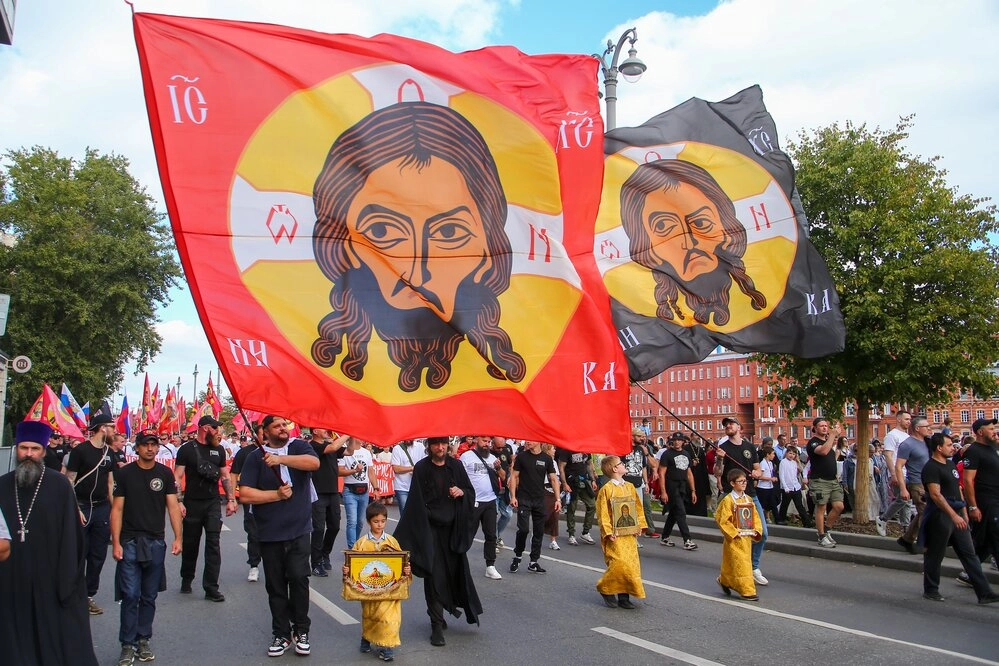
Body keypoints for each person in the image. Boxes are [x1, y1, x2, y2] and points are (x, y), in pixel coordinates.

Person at [311, 101, 526, 391]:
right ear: (346, 249)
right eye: (383, 230)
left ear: (488, 252)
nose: (415, 276)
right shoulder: (324, 377)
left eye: (449, 232)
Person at [619, 158, 767, 327]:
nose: (689, 243)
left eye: (701, 223)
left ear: (726, 230)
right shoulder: (648, 327)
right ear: (649, 251)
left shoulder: (760, 302)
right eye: (664, 227)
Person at [0, 420, 99, 666]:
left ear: (44, 451)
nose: (29, 454)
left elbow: (71, 537)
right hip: (10, 576)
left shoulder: (59, 485)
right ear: (16, 449)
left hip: (49, 576)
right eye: (24, 448)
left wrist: (67, 581)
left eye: (35, 449)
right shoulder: (2, 485)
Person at [237, 414, 321, 657]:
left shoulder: (299, 446)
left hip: (299, 529)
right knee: (275, 585)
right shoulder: (255, 457)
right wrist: (276, 495)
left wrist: (280, 459)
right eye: (277, 425)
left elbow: (313, 463)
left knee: (298, 578)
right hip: (269, 532)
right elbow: (246, 494)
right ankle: (281, 633)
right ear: (265, 431)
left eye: (285, 424)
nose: (283, 428)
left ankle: (301, 629)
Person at [395, 436, 481, 647]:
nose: (440, 448)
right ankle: (436, 624)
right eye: (436, 444)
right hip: (430, 531)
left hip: (453, 532)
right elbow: (414, 502)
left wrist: (462, 492)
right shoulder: (422, 468)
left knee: (453, 573)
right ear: (429, 446)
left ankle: (443, 610)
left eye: (443, 444)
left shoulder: (456, 466)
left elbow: (470, 492)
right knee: (433, 576)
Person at [111, 430, 183, 666]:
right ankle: (127, 644)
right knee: (131, 595)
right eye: (145, 445)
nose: (151, 449)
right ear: (137, 448)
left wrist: (177, 538)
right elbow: (117, 510)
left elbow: (173, 508)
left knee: (149, 596)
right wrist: (116, 542)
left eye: (154, 444)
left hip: (155, 542)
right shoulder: (125, 474)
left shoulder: (164, 473)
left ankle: (143, 639)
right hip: (130, 542)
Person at [921, 432, 999, 604]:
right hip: (940, 516)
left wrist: (963, 512)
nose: (952, 448)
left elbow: (958, 490)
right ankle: (931, 589)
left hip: (957, 514)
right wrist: (953, 515)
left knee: (970, 554)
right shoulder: (931, 467)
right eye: (949, 445)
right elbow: (935, 495)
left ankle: (984, 592)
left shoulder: (951, 465)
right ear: (939, 448)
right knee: (935, 554)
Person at [174, 415, 236, 601]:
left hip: (212, 503)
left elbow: (225, 476)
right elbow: (177, 476)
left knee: (213, 545)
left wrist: (231, 499)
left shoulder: (219, 450)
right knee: (191, 544)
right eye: (215, 428)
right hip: (192, 503)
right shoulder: (186, 450)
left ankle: (211, 587)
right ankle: (187, 578)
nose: (217, 432)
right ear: (205, 428)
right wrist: (178, 501)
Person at [343, 502, 412, 662]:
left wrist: (406, 570)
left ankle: (386, 647)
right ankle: (366, 637)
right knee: (370, 614)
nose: (379, 524)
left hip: (390, 589)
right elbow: (352, 564)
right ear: (369, 522)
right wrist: (347, 570)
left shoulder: (392, 541)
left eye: (382, 521)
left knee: (389, 618)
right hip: (369, 588)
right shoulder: (361, 543)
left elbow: (402, 562)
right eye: (376, 521)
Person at [65, 412, 117, 615]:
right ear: (102, 428)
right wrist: (75, 508)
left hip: (102, 507)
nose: (114, 430)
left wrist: (115, 510)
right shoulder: (81, 451)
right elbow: (69, 481)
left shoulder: (109, 453)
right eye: (111, 426)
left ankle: (88, 595)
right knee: (79, 552)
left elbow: (110, 483)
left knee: (98, 554)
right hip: (82, 506)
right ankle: (72, 593)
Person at [714, 417, 768, 585]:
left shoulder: (750, 447)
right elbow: (717, 472)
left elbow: (757, 468)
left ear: (739, 427)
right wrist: (720, 459)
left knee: (762, 533)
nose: (728, 426)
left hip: (750, 496)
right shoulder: (722, 448)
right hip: (732, 498)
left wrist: (757, 474)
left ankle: (753, 566)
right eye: (725, 424)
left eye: (731, 423)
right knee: (736, 538)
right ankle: (732, 573)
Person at [594, 455, 646, 609]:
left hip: (628, 534)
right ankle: (606, 588)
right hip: (615, 535)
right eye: (621, 463)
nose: (624, 465)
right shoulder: (607, 490)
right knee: (619, 563)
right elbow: (603, 513)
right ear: (615, 469)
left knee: (631, 564)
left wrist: (639, 526)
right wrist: (608, 531)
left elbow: (637, 507)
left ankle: (624, 596)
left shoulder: (629, 486)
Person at [509, 440, 561, 573]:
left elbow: (554, 479)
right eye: (526, 440)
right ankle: (518, 556)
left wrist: (558, 499)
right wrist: (513, 496)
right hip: (524, 499)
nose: (527, 442)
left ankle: (533, 562)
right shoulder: (522, 456)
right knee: (524, 530)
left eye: (530, 440)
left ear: (538, 442)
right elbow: (514, 476)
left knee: (538, 531)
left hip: (539, 500)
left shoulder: (546, 458)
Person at [715, 469, 763, 601]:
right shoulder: (728, 500)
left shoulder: (747, 499)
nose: (744, 483)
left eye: (745, 481)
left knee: (733, 563)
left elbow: (755, 517)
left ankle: (724, 580)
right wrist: (733, 533)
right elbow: (722, 519)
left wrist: (756, 530)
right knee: (742, 563)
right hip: (735, 538)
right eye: (740, 481)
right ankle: (747, 590)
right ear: (732, 483)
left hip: (746, 537)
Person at [459, 435, 503, 579]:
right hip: (474, 502)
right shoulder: (466, 457)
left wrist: (499, 467)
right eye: (484, 441)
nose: (487, 444)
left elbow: (503, 477)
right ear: (477, 440)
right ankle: (459, 563)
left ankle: (490, 566)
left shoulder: (492, 459)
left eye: (489, 442)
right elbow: (459, 477)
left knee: (491, 535)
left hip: (490, 502)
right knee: (468, 534)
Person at [963, 417, 999, 584]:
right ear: (980, 432)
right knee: (995, 536)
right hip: (987, 502)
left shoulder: (992, 449)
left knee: (986, 541)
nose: (995, 431)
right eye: (991, 429)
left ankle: (971, 573)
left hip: (995, 500)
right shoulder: (974, 451)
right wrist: (973, 507)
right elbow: (968, 480)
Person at [309, 427, 349, 577]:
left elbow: (349, 451)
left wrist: (353, 438)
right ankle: (316, 563)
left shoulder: (331, 445)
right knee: (318, 529)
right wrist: (348, 432)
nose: (326, 430)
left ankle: (325, 553)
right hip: (318, 493)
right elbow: (332, 447)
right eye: (322, 428)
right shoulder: (313, 446)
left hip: (333, 492)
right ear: (315, 432)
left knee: (335, 526)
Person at [891, 417, 933, 554]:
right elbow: (898, 467)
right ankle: (928, 546)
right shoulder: (907, 444)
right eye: (926, 426)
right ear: (917, 429)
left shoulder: (927, 442)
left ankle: (907, 539)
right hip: (916, 483)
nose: (929, 428)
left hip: (929, 482)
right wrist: (903, 488)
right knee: (926, 513)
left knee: (923, 512)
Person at [806, 418, 845, 548]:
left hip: (832, 480)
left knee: (839, 506)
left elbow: (830, 456)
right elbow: (823, 451)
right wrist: (833, 435)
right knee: (821, 507)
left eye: (826, 426)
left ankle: (827, 529)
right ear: (815, 428)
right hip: (819, 481)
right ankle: (821, 535)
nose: (824, 428)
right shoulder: (813, 443)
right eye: (821, 426)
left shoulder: (828, 442)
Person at [230, 427, 263, 582]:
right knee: (254, 533)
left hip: (273, 498)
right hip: (251, 498)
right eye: (263, 433)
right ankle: (254, 566)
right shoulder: (245, 453)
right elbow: (233, 473)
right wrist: (232, 497)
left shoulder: (278, 452)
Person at [658, 434, 698, 549]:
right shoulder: (667, 454)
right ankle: (687, 540)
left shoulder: (686, 454)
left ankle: (665, 537)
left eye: (679, 440)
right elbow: (661, 473)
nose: (676, 443)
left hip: (683, 486)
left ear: (683, 442)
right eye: (675, 440)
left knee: (673, 513)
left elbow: (689, 473)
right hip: (672, 486)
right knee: (680, 512)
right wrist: (663, 492)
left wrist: (693, 490)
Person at [557, 445, 598, 546]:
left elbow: (589, 464)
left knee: (592, 505)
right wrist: (564, 483)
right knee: (572, 508)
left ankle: (585, 532)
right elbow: (561, 468)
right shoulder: (566, 450)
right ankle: (571, 534)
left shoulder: (585, 448)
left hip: (584, 482)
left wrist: (592, 479)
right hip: (571, 482)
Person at [341, 436, 377, 549]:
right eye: (359, 436)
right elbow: (340, 471)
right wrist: (354, 470)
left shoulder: (366, 453)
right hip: (350, 490)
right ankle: (352, 549)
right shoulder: (345, 452)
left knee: (360, 522)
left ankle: (356, 544)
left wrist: (376, 488)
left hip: (364, 491)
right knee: (352, 521)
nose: (362, 438)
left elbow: (371, 471)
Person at [390, 438, 426, 513]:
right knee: (405, 513)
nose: (408, 439)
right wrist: (412, 468)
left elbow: (425, 464)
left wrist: (418, 471)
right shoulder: (397, 449)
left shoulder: (421, 447)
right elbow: (396, 469)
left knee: (418, 512)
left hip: (417, 486)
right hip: (401, 487)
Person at [777, 447, 810, 527]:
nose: (792, 455)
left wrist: (798, 462)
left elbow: (798, 473)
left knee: (799, 505)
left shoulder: (794, 463)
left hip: (795, 486)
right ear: (787, 453)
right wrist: (785, 487)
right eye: (790, 453)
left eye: (794, 454)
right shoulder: (783, 462)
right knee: (785, 504)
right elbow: (782, 476)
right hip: (787, 487)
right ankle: (781, 519)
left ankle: (806, 522)